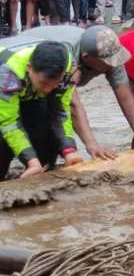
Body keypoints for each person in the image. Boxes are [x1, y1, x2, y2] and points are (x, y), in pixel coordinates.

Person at [23, 25, 134, 151]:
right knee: (42, 129)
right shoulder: (65, 58)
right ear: (87, 57)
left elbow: (126, 97)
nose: (113, 65)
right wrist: (92, 144)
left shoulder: (110, 53)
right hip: (30, 68)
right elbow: (73, 105)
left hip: (49, 79)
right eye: (108, 62)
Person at [0, 41, 80, 180]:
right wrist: (30, 160)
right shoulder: (9, 73)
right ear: (29, 67)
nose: (49, 89)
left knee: (46, 132)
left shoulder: (69, 69)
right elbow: (8, 123)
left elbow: (61, 112)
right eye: (44, 83)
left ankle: (41, 169)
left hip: (28, 93)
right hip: (5, 92)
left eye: (54, 85)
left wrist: (69, 149)